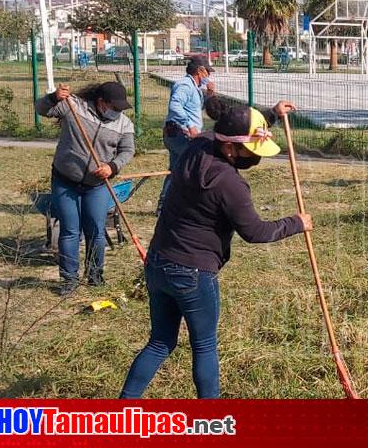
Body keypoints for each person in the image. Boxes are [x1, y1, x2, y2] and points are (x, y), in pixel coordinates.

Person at [120, 101, 311, 399]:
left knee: (160, 342)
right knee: (205, 346)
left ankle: (123, 408)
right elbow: (255, 232)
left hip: (158, 261)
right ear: (231, 149)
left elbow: (228, 126)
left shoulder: (198, 145)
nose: (256, 157)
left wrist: (271, 115)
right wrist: (295, 223)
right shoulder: (229, 183)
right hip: (192, 272)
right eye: (252, 150)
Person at [35, 82, 135, 296]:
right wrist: (54, 97)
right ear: (101, 102)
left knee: (96, 231)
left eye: (120, 108)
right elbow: (41, 109)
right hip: (65, 180)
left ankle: (95, 275)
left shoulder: (123, 124)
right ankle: (69, 279)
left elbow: (127, 150)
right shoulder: (73, 107)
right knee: (70, 230)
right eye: (114, 107)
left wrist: (112, 166)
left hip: (97, 185)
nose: (117, 112)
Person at [157, 56, 216, 214]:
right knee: (195, 166)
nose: (209, 76)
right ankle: (189, 205)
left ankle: (164, 206)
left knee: (176, 169)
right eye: (207, 72)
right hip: (179, 134)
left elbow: (194, 108)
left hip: (181, 134)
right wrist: (190, 125)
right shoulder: (184, 85)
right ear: (200, 71)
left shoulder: (194, 87)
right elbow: (175, 105)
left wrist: (209, 94)